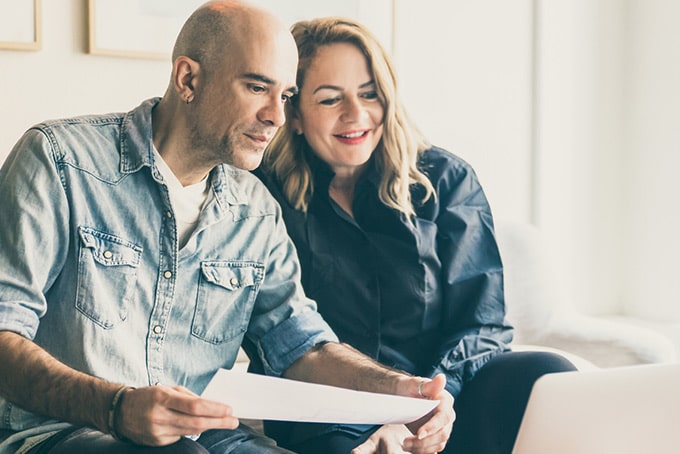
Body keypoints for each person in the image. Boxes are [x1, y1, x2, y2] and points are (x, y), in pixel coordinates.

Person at [0, 2, 455, 453]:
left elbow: (302, 347)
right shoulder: (60, 162)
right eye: (258, 88)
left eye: (286, 96)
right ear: (188, 79)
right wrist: (116, 407)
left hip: (210, 439)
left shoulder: (256, 209)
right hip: (63, 433)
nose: (277, 116)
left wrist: (404, 392)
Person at [255, 17, 578, 454]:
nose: (357, 114)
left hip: (445, 397)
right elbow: (279, 336)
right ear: (294, 114)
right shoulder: (262, 197)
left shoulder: (446, 179)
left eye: (369, 93)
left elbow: (482, 322)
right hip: (330, 406)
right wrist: (384, 410)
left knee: (547, 371)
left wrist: (432, 398)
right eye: (330, 99)